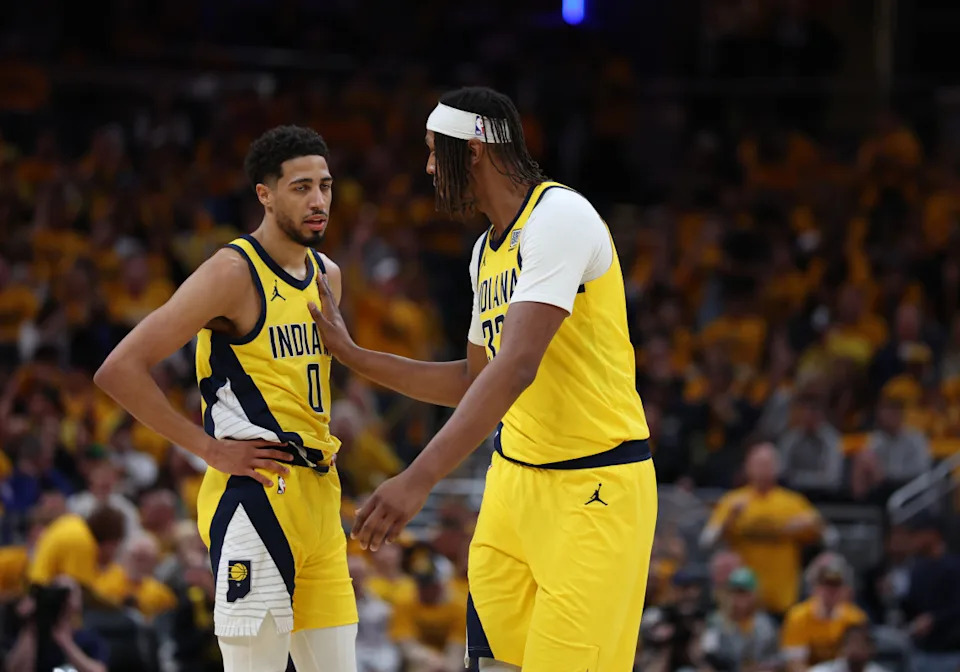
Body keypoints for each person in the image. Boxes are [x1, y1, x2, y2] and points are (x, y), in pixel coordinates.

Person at [309, 86, 657, 671]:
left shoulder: (560, 218)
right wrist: (354, 355)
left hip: (594, 489)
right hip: (512, 483)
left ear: (471, 150)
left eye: (431, 151)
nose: (425, 167)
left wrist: (418, 478)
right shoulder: (482, 253)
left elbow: (517, 367)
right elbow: (476, 379)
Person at [94, 125, 357, 672]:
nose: (318, 201)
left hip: (321, 496)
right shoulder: (231, 272)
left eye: (326, 186)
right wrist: (208, 449)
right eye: (301, 187)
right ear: (265, 194)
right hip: (256, 494)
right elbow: (119, 369)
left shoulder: (328, 275)